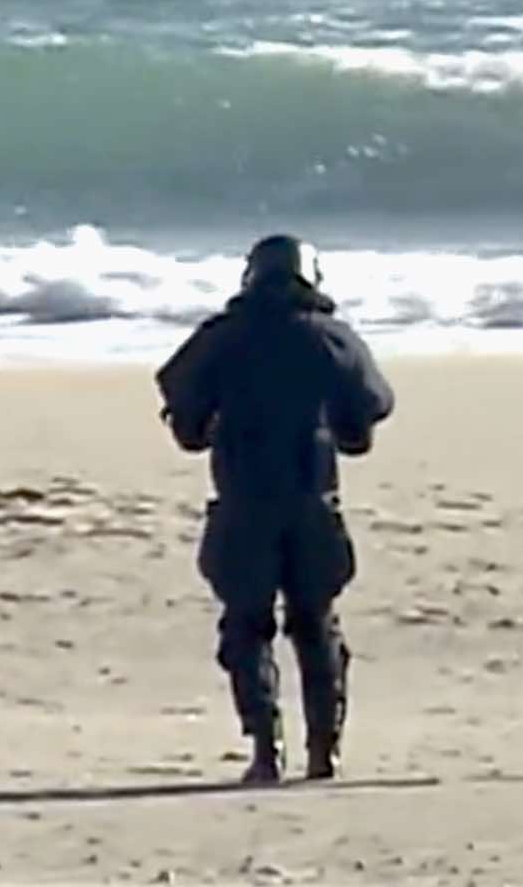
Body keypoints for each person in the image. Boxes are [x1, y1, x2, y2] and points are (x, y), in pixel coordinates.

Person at [155, 234, 395, 785]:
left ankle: (266, 748)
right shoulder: (331, 339)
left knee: (246, 627)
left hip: (242, 506)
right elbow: (372, 408)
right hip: (313, 505)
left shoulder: (220, 339)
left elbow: (182, 411)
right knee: (316, 624)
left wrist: (203, 426)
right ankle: (323, 751)